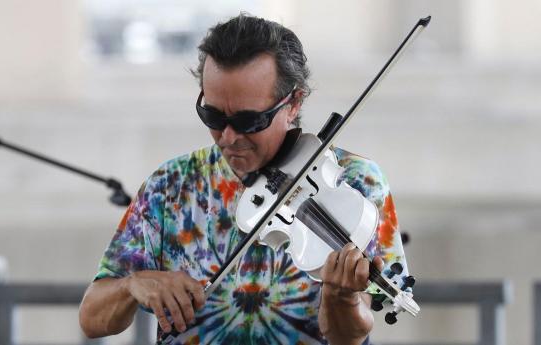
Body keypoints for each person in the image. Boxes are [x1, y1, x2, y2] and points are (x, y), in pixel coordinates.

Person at [79, 13, 410, 345]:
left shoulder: (356, 183)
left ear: (294, 102)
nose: (228, 136)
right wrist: (133, 284)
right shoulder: (171, 185)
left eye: (249, 120)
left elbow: (347, 337)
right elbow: (92, 320)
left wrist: (342, 298)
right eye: (212, 115)